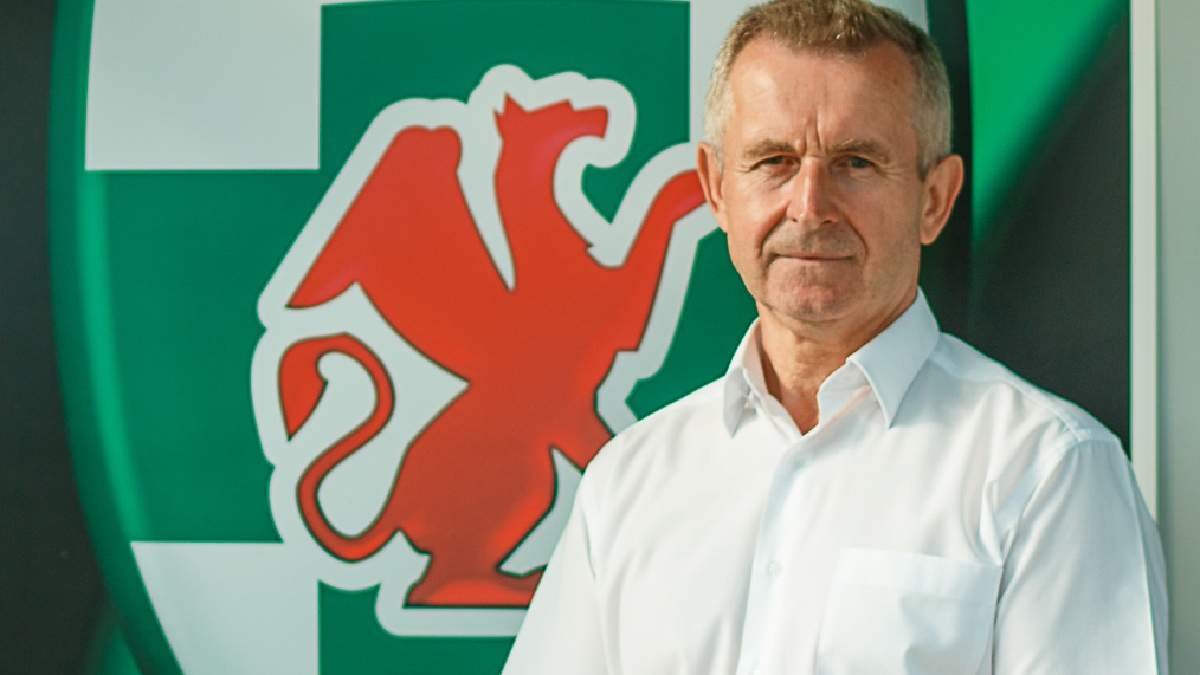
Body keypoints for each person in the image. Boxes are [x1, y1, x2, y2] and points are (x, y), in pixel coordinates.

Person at [502, 0, 1168, 673]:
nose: (810, 206)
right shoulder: (628, 480)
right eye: (773, 160)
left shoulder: (1047, 471)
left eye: (856, 163)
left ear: (935, 198)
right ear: (716, 188)